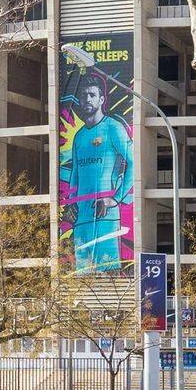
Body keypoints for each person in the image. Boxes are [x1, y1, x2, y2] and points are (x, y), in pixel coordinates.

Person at [59, 73, 133, 272]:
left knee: (107, 273)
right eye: (84, 96)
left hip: (105, 217)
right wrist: (70, 205)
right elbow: (75, 175)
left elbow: (133, 164)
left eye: (92, 95)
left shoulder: (113, 128)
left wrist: (115, 199)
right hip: (81, 219)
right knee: (82, 278)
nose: (87, 99)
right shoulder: (79, 136)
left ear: (101, 99)